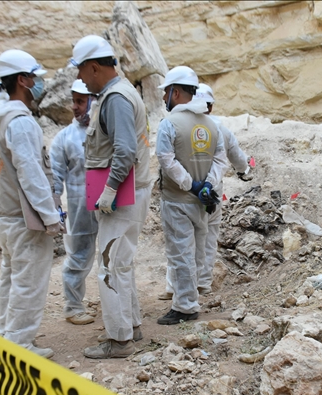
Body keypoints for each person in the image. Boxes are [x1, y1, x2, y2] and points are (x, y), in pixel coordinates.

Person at [70, 35, 151, 359]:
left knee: (108, 266)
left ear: (92, 67)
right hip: (132, 192)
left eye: (80, 71)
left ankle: (119, 341)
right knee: (122, 263)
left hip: (122, 197)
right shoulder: (121, 92)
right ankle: (131, 326)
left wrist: (109, 191)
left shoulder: (115, 97)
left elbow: (124, 151)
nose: (79, 78)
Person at [0, 49, 61, 359]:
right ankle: (19, 345)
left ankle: (7, 334)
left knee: (11, 278)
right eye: (34, 77)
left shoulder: (3, 119)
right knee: (28, 282)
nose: (38, 83)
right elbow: (31, 174)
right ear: (22, 80)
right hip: (23, 219)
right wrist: (50, 216)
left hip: (6, 216)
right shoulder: (22, 123)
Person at [160, 83, 253, 300]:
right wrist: (244, 171)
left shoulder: (176, 124)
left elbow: (167, 159)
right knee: (207, 239)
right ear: (209, 106)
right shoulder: (218, 127)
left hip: (182, 191)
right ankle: (202, 284)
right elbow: (236, 158)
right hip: (210, 193)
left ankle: (172, 286)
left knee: (178, 241)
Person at [155, 67, 229, 326]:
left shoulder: (169, 124)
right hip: (202, 201)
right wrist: (207, 185)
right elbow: (221, 160)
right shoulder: (211, 124)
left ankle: (185, 306)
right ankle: (191, 296)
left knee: (180, 254)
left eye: (166, 92)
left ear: (175, 92)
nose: (165, 98)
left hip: (178, 201)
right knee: (197, 252)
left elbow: (166, 159)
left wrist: (191, 185)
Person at [50, 80, 99, 326]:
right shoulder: (65, 138)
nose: (74, 107)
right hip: (80, 206)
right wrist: (56, 210)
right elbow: (55, 177)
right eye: (74, 101)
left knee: (114, 254)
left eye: (81, 101)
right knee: (79, 254)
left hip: (108, 202)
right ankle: (72, 305)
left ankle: (114, 302)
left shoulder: (105, 130)